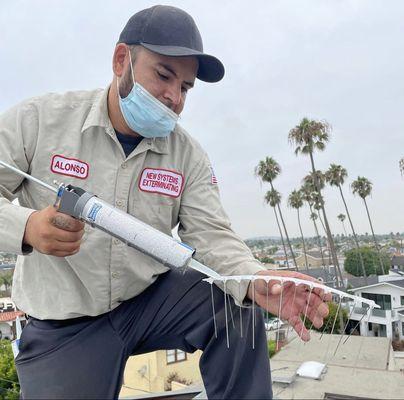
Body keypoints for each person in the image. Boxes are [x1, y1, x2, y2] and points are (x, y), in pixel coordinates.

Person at [0, 5, 330, 399]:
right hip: (65, 324)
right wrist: (27, 227)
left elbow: (212, 235)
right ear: (122, 59)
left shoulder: (187, 154)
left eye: (186, 87)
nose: (174, 97)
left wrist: (255, 278)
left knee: (234, 297)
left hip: (149, 302)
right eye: (163, 75)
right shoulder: (39, 121)